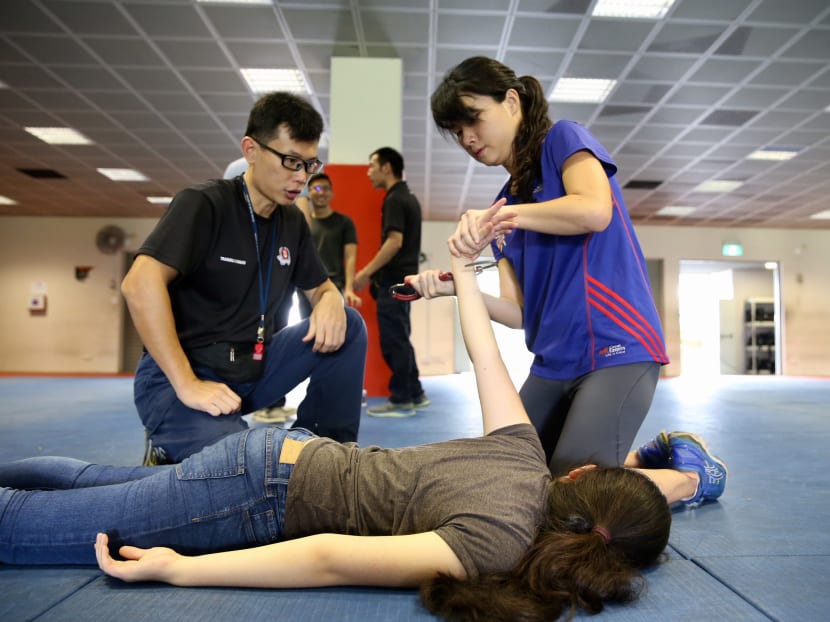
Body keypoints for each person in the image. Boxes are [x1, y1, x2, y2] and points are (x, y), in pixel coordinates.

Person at [0, 252, 728, 621]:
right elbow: (323, 558)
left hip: (273, 456)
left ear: (576, 479)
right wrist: (175, 571)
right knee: (32, 530)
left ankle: (690, 477)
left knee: (89, 481)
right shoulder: (496, 548)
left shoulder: (522, 453)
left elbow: (485, 353)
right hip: (254, 492)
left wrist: (464, 273)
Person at [409, 56, 670, 474]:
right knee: (506, 476)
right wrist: (458, 288)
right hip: (553, 361)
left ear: (512, 101)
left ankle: (687, 477)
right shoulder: (506, 204)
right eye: (458, 132)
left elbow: (594, 209)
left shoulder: (563, 140)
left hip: (616, 347)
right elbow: (519, 314)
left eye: (473, 120)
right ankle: (642, 463)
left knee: (572, 486)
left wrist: (505, 217)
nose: (468, 138)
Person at [121, 91, 367, 465]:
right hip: (179, 380)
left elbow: (320, 286)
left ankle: (328, 460)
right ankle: (167, 449)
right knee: (249, 467)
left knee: (348, 324)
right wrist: (188, 384)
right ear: (251, 150)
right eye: (290, 162)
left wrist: (330, 298)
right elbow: (138, 284)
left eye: (309, 165)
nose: (301, 177)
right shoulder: (204, 204)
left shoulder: (292, 223)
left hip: (251, 368)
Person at [354, 147, 428, 418]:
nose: (368, 171)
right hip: (406, 282)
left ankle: (402, 400)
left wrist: (365, 273)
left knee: (394, 341)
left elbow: (394, 242)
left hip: (395, 282)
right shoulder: (409, 197)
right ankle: (415, 393)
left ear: (386, 167)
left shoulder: (395, 198)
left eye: (372, 165)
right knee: (401, 337)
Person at [222, 156, 296, 426]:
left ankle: (270, 402)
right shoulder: (233, 174)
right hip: (245, 282)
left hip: (276, 278)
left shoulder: (293, 176)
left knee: (272, 337)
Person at [295, 172, 362, 318]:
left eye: (326, 189)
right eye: (317, 189)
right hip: (306, 286)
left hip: (333, 285)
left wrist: (349, 289)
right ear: (309, 193)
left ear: (332, 193)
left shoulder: (344, 223)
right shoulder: (302, 223)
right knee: (306, 332)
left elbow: (350, 257)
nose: (322, 193)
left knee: (332, 332)